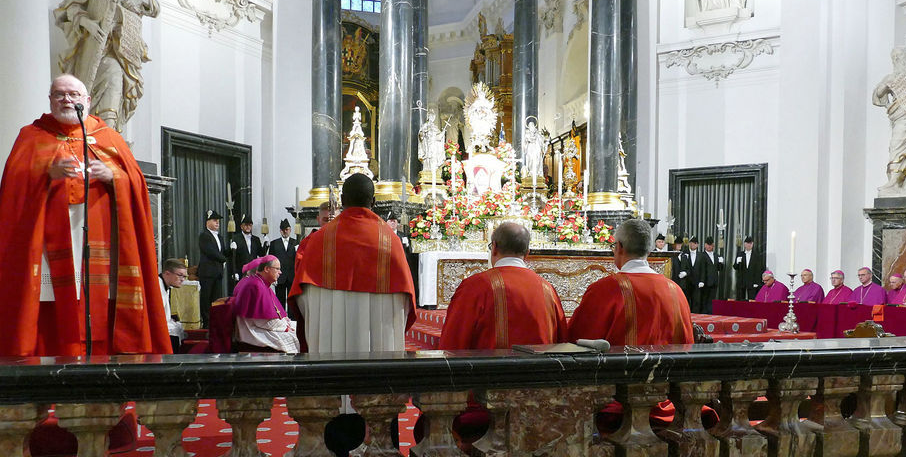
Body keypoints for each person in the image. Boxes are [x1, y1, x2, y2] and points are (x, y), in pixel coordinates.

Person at [0, 74, 170, 357]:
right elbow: (12, 189)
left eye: (74, 95)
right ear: (50, 99)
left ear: (87, 101)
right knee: (51, 308)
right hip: (46, 241)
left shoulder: (109, 138)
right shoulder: (31, 136)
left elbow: (136, 185)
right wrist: (46, 174)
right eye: (59, 94)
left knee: (98, 305)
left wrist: (113, 175)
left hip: (98, 234)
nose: (67, 100)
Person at [290, 172, 416, 354]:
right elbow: (405, 300)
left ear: (341, 199)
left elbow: (302, 298)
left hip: (329, 345)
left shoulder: (318, 240)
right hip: (380, 343)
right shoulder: (391, 240)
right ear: (373, 201)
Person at [55, 0, 159, 133]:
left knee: (114, 83)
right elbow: (68, 12)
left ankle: (108, 138)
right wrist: (88, 23)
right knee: (86, 96)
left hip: (117, 56)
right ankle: (94, 136)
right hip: (91, 55)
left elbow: (154, 8)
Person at [440, 222, 568, 350]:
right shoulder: (547, 289)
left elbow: (452, 341)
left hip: (488, 369)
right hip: (541, 368)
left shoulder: (475, 286)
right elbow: (562, 342)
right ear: (527, 253)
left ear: (494, 247)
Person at [569, 218, 694, 346]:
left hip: (621, 365)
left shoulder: (604, 290)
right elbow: (687, 343)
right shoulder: (675, 290)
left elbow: (576, 340)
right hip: (671, 365)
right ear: (649, 251)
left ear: (619, 247)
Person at [872, 46, 906, 195]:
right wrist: (886, 90)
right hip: (901, 119)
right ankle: (894, 181)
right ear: (897, 60)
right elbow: (877, 97)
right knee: (897, 146)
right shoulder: (891, 78)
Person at [231, 256, 298, 354]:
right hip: (252, 332)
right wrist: (285, 327)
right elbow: (261, 320)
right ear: (266, 269)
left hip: (258, 327)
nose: (280, 272)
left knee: (299, 328)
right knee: (297, 336)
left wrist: (284, 322)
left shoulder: (260, 283)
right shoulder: (255, 285)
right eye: (277, 269)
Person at [197, 209, 233, 329]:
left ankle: (215, 320)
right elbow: (211, 252)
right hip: (207, 272)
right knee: (206, 298)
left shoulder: (220, 237)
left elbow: (222, 252)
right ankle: (206, 322)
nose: (217, 223)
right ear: (207, 222)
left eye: (218, 221)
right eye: (214, 220)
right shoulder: (204, 236)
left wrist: (232, 250)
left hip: (217, 273)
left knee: (216, 299)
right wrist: (224, 258)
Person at [268, 219, 297, 318]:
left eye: (287, 229)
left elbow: (300, 260)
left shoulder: (296, 242)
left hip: (291, 276)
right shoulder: (274, 243)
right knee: (279, 299)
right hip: (279, 276)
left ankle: (292, 320)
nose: (285, 232)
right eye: (283, 230)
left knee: (291, 299)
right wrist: (272, 277)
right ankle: (280, 318)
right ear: (280, 231)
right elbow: (270, 261)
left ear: (290, 230)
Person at [160, 258, 187, 353]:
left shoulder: (165, 286)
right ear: (167, 273)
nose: (182, 280)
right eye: (180, 275)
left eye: (184, 276)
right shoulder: (157, 286)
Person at [231, 214, 265, 285]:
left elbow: (261, 254)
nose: (248, 227)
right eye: (246, 225)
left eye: (250, 225)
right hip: (241, 270)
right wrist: (234, 272)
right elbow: (233, 257)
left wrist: (266, 245)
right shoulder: (236, 238)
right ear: (241, 226)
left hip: (254, 270)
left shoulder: (256, 239)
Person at [693, 236, 723, 314]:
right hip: (705, 282)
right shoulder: (701, 255)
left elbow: (720, 269)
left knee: (712, 300)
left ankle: (710, 314)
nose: (709, 246)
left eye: (711, 245)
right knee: (704, 300)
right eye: (707, 244)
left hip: (714, 282)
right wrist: (701, 280)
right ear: (705, 245)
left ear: (713, 245)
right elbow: (699, 269)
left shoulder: (717, 255)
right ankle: (704, 315)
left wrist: (721, 262)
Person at [733, 236, 763, 300]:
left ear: (752, 244)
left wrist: (757, 282)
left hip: (752, 281)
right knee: (740, 299)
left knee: (752, 299)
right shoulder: (740, 254)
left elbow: (759, 270)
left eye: (750, 243)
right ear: (744, 244)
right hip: (741, 281)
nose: (749, 245)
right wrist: (737, 262)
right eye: (747, 243)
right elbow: (735, 267)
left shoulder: (756, 255)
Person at [683, 236, 700, 309]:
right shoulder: (684, 254)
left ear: (697, 245)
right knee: (686, 299)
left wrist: (702, 280)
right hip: (687, 280)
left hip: (697, 281)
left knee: (696, 300)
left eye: (695, 243)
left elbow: (702, 269)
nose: (693, 245)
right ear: (689, 244)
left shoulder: (701, 255)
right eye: (691, 243)